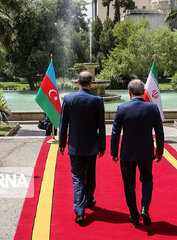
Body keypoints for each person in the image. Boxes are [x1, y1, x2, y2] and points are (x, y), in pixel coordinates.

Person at [111, 79, 164, 227]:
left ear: (129, 92)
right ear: (143, 92)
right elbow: (159, 132)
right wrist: (159, 151)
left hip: (127, 153)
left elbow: (115, 132)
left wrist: (114, 152)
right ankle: (144, 208)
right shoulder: (152, 108)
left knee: (129, 184)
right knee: (147, 180)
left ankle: (134, 215)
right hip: (146, 152)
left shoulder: (122, 108)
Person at [59, 71, 106, 225]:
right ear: (91, 83)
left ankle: (80, 210)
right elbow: (101, 126)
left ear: (78, 82)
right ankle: (88, 200)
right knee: (90, 175)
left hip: (75, 145)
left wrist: (62, 143)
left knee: (77, 177)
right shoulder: (97, 100)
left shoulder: (68, 99)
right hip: (92, 145)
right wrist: (102, 146)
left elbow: (63, 123)